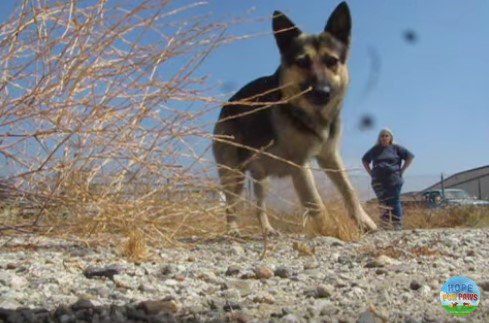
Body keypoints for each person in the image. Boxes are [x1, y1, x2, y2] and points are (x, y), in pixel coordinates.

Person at [362, 128, 414, 230]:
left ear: (390, 138)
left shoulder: (396, 148)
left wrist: (402, 170)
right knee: (383, 202)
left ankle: (397, 225)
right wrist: (371, 173)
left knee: (394, 201)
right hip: (378, 180)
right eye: (382, 136)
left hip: (394, 179)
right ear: (379, 138)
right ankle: (385, 225)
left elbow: (410, 157)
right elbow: (365, 160)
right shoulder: (375, 149)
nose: (384, 138)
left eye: (386, 136)